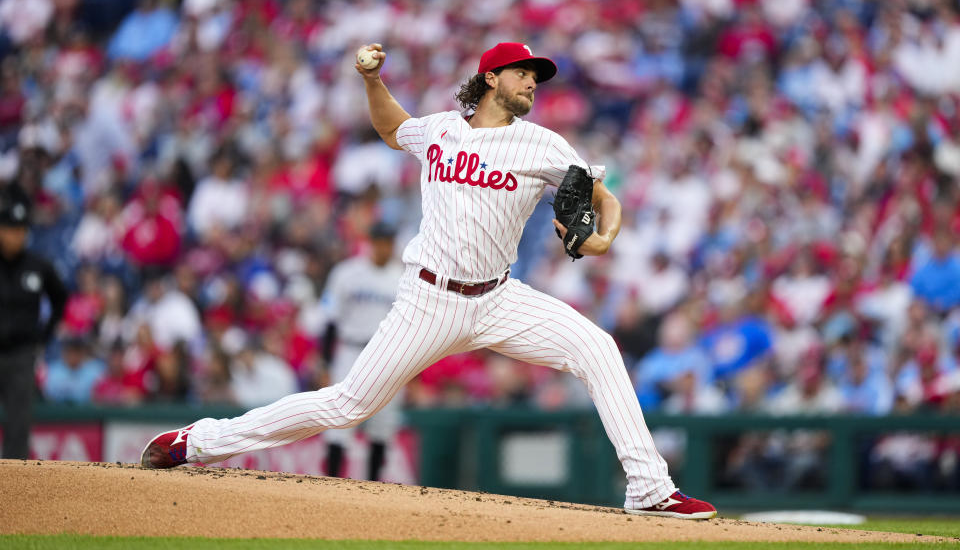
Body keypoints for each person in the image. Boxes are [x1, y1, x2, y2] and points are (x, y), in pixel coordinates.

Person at [141, 42, 717, 519]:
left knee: (597, 347)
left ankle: (649, 488)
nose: (533, 84)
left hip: (498, 297)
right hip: (429, 300)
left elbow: (601, 195)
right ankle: (196, 442)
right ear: (491, 78)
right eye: (524, 73)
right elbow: (394, 128)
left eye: (537, 77)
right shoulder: (439, 131)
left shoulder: (543, 144)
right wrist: (373, 81)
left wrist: (604, 237)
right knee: (346, 405)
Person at [321, 220, 404, 481]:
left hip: (387, 355)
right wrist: (325, 363)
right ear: (371, 242)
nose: (384, 246)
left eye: (388, 241)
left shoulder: (403, 278)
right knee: (338, 420)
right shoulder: (346, 273)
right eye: (380, 240)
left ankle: (372, 491)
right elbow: (330, 321)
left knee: (382, 425)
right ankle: (330, 484)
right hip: (350, 350)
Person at [0, 182, 67, 458]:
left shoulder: (38, 266)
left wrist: (45, 336)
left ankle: (12, 488)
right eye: (10, 229)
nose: (16, 236)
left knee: (19, 423)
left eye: (21, 230)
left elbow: (60, 298)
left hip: (21, 354)